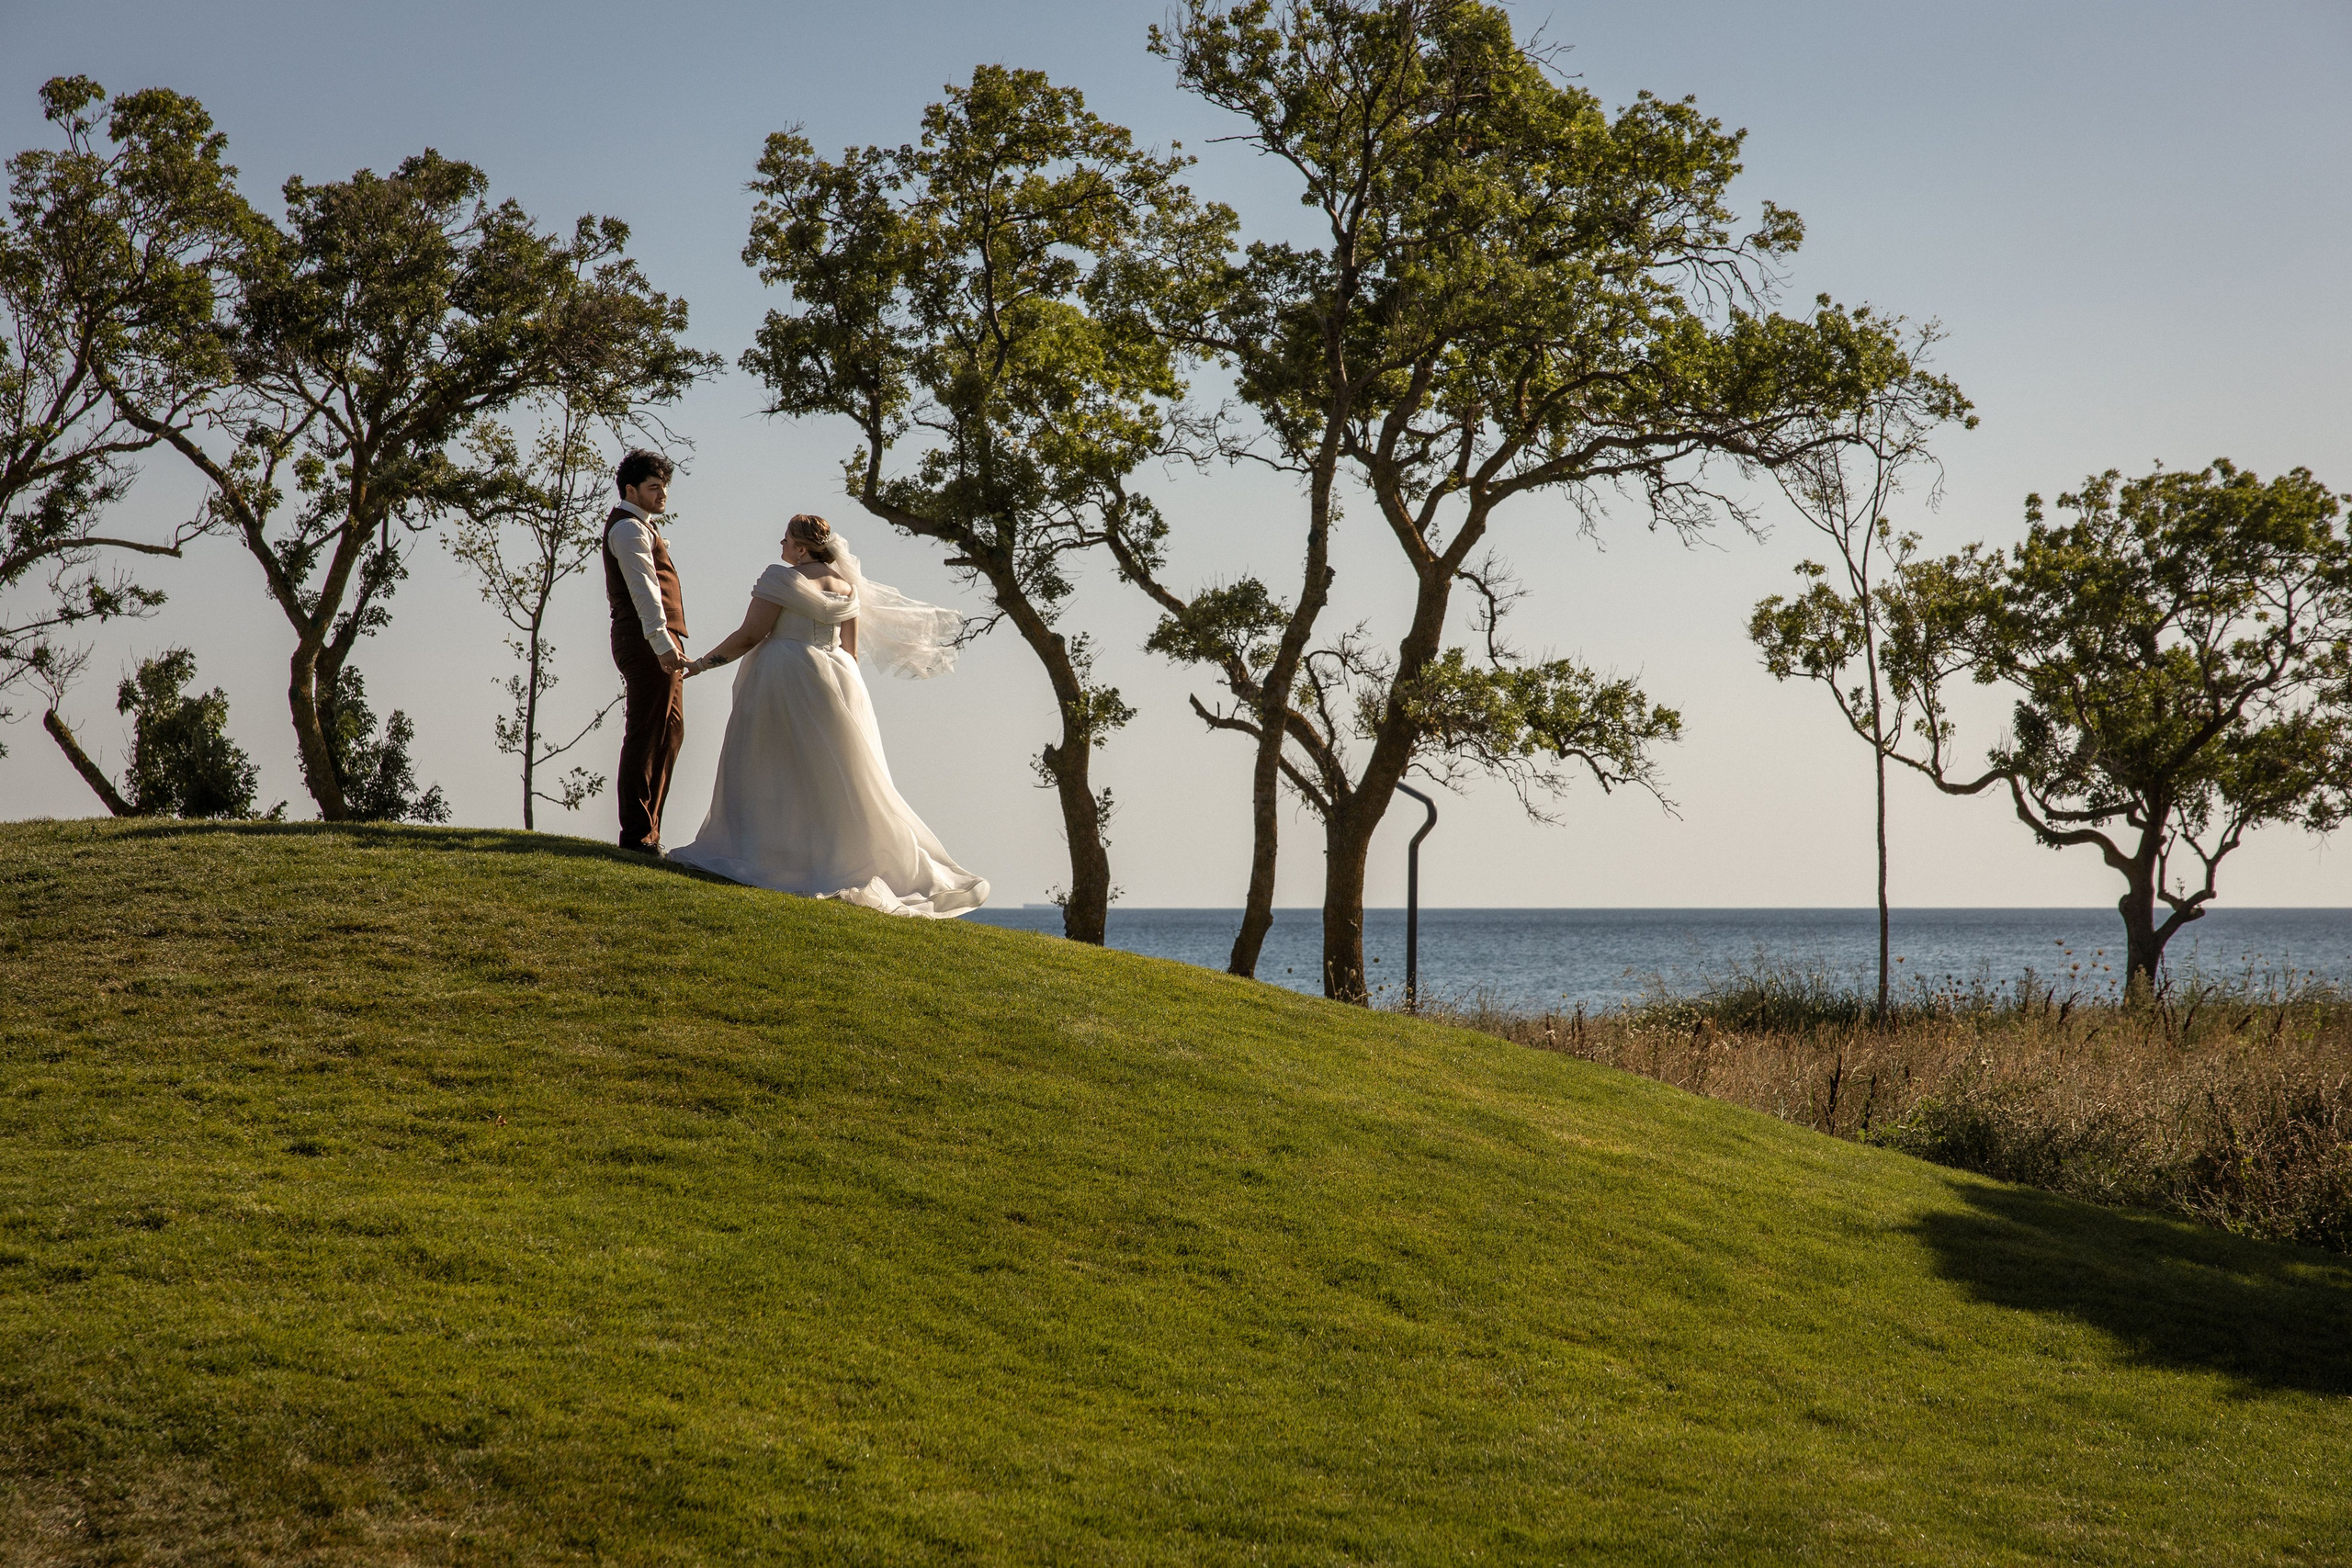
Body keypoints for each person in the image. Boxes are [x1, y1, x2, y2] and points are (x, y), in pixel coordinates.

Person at [665, 514, 988, 918]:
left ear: (801, 548)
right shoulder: (847, 587)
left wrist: (699, 665)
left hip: (783, 676)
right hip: (839, 680)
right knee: (836, 775)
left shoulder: (781, 579)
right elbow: (849, 650)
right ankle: (830, 857)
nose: (780, 547)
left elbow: (750, 635)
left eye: (785, 540)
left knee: (768, 765)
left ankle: (768, 854)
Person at [604, 449, 690, 853]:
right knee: (646, 733)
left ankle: (650, 832)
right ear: (630, 489)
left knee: (670, 733)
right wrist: (662, 643)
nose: (663, 494)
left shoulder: (644, 527)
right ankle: (637, 837)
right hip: (646, 642)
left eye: (665, 487)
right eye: (654, 487)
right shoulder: (629, 529)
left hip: (657, 641)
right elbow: (645, 593)